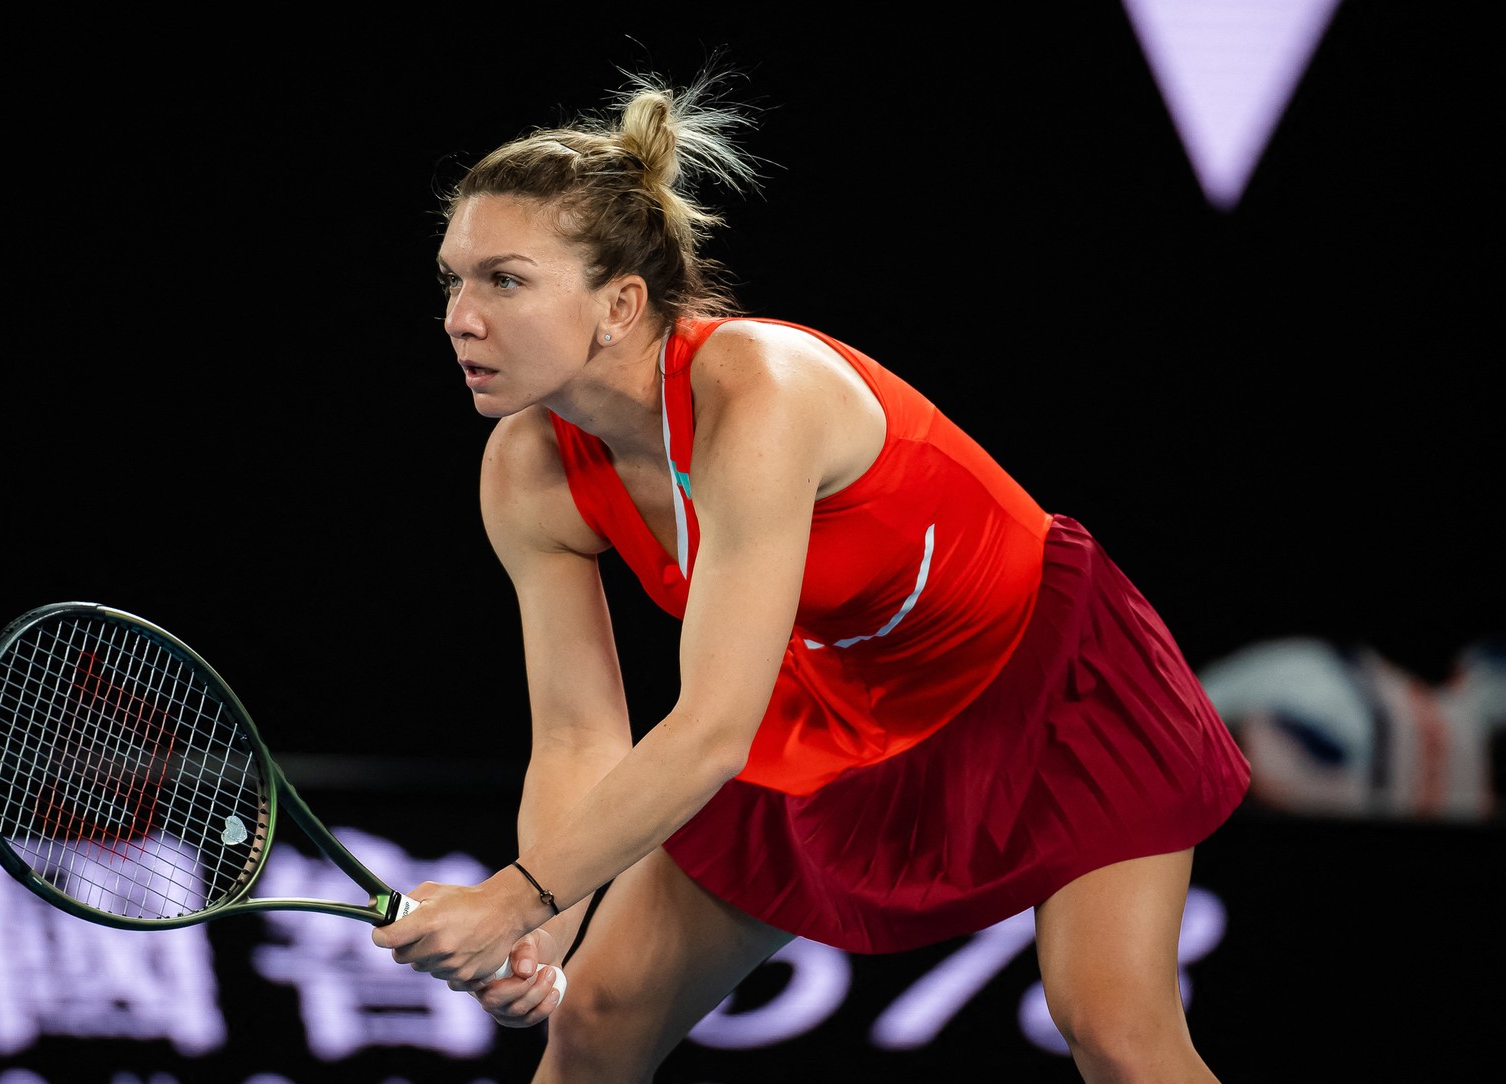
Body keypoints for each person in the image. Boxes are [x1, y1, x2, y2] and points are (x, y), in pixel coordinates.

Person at [372, 60, 1252, 1083]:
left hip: (1039, 680)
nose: (459, 316)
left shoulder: (761, 393)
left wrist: (513, 894)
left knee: (1115, 1031)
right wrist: (544, 927)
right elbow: (579, 733)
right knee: (596, 1014)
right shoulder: (527, 471)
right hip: (830, 710)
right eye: (454, 279)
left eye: (504, 280)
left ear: (618, 303)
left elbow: (709, 728)